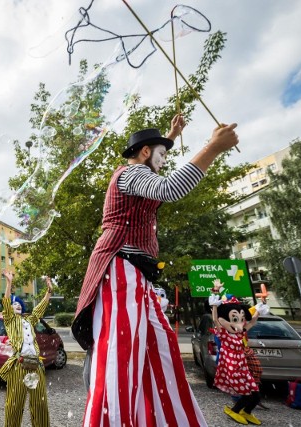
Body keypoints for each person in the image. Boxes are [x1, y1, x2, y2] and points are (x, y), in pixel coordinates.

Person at [73, 115, 239, 427]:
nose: (165, 162)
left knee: (156, 350)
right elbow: (171, 189)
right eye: (161, 155)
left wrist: (171, 137)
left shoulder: (139, 172)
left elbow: (158, 167)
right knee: (119, 355)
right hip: (121, 268)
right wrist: (213, 147)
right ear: (145, 153)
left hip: (137, 275)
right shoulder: (131, 173)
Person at [0, 270, 53, 427]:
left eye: (19, 304)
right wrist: (9, 283)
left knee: (40, 404)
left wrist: (49, 291)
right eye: (13, 304)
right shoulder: (9, 320)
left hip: (36, 365)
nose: (16, 305)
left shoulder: (29, 320)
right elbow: (6, 301)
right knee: (14, 404)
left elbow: (40, 308)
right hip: (19, 365)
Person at [209, 287, 266, 425]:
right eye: (235, 318)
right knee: (246, 394)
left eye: (240, 319)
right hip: (233, 371)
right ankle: (234, 411)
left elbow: (251, 322)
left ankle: (246, 412)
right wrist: (215, 307)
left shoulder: (240, 334)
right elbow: (216, 320)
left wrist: (259, 308)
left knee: (256, 395)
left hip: (244, 370)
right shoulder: (223, 334)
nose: (238, 322)